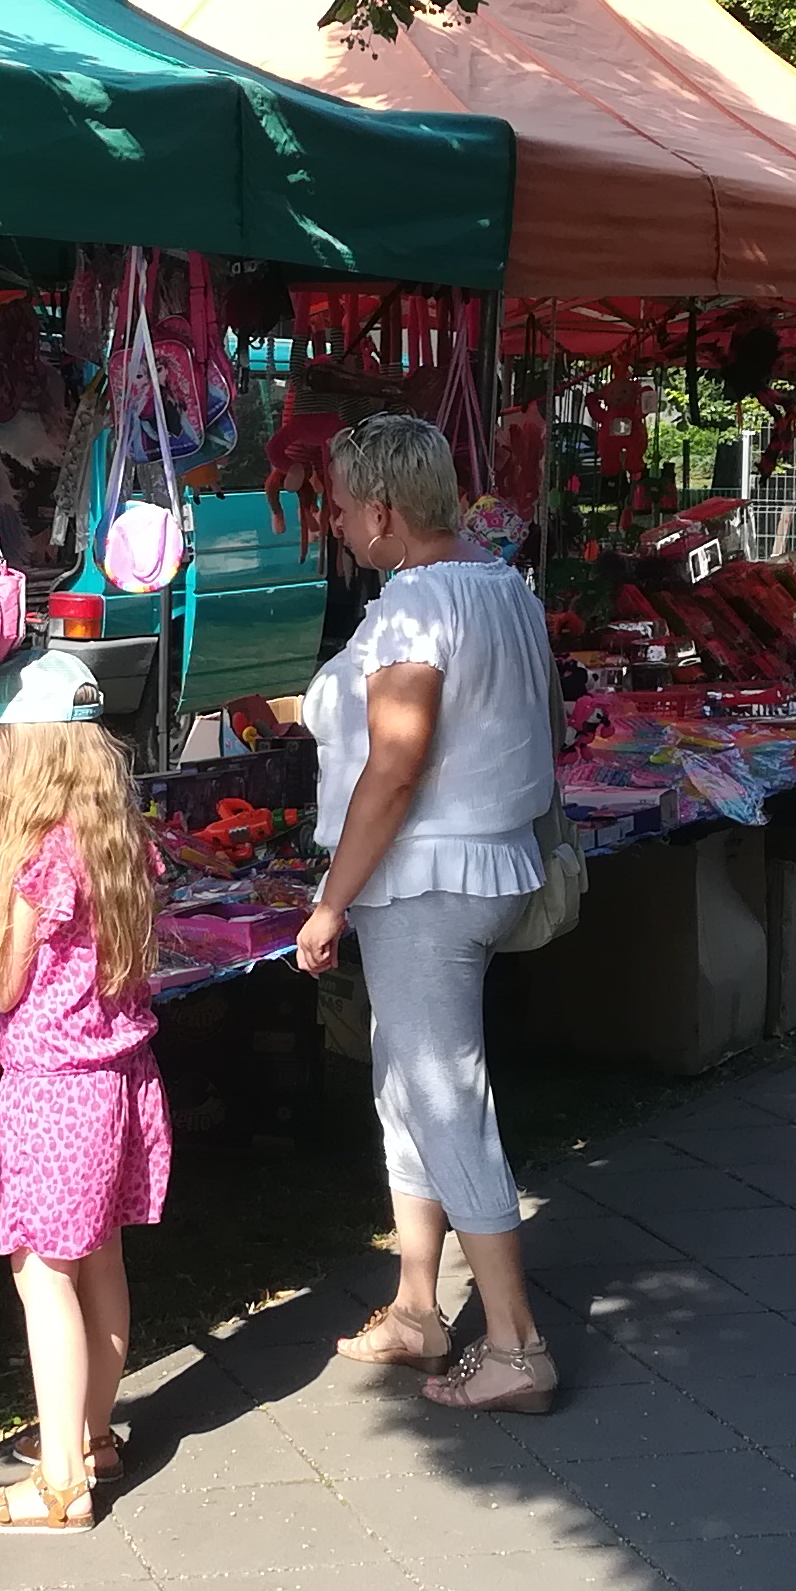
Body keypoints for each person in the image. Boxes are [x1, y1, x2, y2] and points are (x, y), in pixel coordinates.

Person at [294, 413, 565, 1415]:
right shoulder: (501, 585)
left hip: (428, 881)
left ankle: (516, 1344)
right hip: (485, 865)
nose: (331, 523)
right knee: (409, 1085)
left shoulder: (416, 603)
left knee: (446, 1099)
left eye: (336, 506)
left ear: (380, 511)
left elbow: (394, 767)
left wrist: (330, 902)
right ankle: (417, 1305)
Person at [0, 645, 165, 1534]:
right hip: (119, 1079)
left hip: (53, 1094)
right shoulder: (115, 839)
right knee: (102, 1263)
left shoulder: (35, 855)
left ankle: (60, 1483)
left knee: (43, 1277)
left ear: (31, 749)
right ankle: (91, 1437)